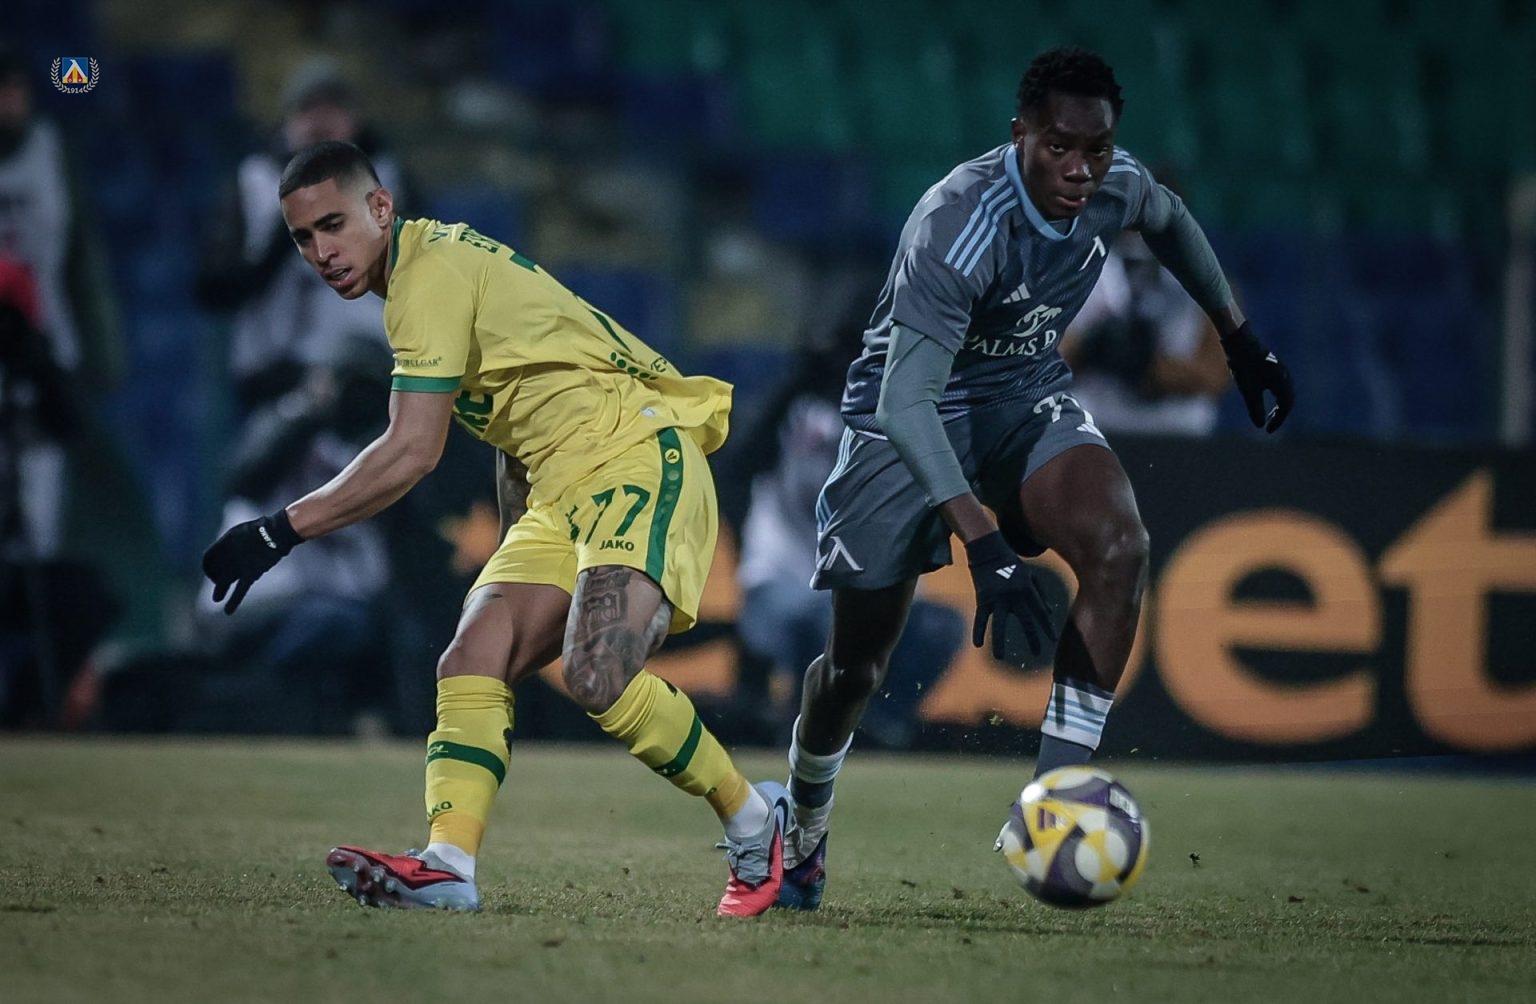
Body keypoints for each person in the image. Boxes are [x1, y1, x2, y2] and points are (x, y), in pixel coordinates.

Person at [200, 140, 789, 917]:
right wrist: (517, 555)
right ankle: (448, 864)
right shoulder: (426, 268)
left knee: (598, 676)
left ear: (381, 207)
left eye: (333, 225)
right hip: (559, 489)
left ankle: (756, 823)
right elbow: (514, 423)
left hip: (634, 456)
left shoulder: (426, 277)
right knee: (472, 656)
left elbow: (411, 451)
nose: (321, 253)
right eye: (303, 238)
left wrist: (279, 531)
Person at [773, 48, 1293, 911]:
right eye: (1059, 147)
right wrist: (984, 545)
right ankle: (804, 817)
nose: (1080, 170)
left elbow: (1169, 220)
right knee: (858, 668)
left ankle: (1053, 804)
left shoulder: (1116, 184)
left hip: (1022, 399)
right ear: (1020, 136)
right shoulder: (960, 222)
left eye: (1096, 149)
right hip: (904, 420)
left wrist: (1237, 338)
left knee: (1121, 548)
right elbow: (906, 402)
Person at [733, 333, 963, 749]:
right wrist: (794, 384)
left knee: (939, 626)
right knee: (829, 619)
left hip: (868, 581)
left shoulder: (901, 420)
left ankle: (880, 724)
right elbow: (739, 463)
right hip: (787, 580)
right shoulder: (798, 412)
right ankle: (807, 723)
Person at [195, 57, 410, 414]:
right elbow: (214, 287)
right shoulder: (253, 182)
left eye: (333, 108)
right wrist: (286, 234)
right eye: (308, 108)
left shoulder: (389, 180)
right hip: (273, 375)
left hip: (369, 374)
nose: (320, 121)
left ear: (354, 120)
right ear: (288, 120)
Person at [1060, 230, 1230, 435]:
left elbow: (1216, 376)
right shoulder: (1078, 271)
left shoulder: (1206, 279)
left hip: (1177, 428)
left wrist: (1146, 366)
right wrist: (1090, 347)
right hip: (1098, 421)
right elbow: (1047, 363)